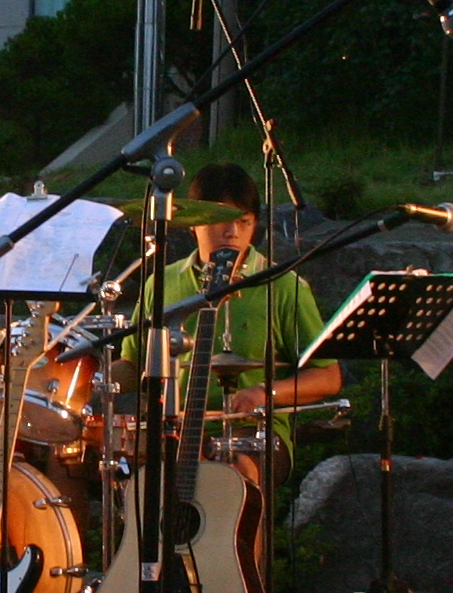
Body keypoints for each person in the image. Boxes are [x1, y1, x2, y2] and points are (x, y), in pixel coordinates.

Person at [121, 162, 342, 461]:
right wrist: (83, 383)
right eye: (221, 221)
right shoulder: (161, 282)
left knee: (232, 468)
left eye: (244, 222)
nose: (232, 233)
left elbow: (328, 376)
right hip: (175, 426)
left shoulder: (283, 285)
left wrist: (265, 392)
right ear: (193, 222)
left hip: (255, 429)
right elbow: (133, 365)